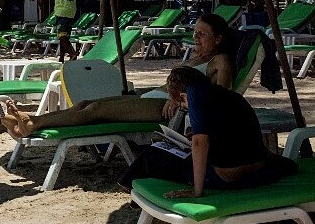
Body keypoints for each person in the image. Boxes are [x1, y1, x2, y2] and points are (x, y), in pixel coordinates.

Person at [2, 13, 236, 138]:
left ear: (218, 38)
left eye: (202, 34)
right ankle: (31, 121)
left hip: (169, 109)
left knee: (95, 112)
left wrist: (180, 100)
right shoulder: (196, 58)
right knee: (86, 103)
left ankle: (30, 122)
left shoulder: (220, 60)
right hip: (157, 97)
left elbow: (224, 99)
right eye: (194, 32)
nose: (195, 38)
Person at [118, 66, 296, 194]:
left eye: (181, 105)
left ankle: (129, 187)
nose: (185, 107)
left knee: (153, 153)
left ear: (182, 95)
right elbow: (228, 132)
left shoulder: (194, 95)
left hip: (226, 176)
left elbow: (199, 143)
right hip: (257, 166)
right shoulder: (226, 95)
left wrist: (197, 191)